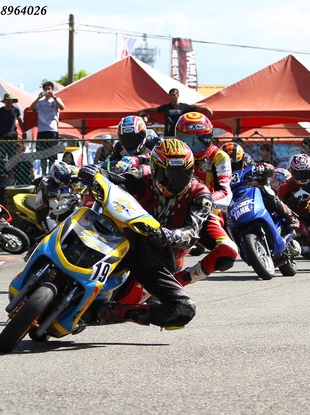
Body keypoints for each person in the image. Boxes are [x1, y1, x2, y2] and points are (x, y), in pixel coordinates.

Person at [76, 138, 213, 329]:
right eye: (169, 174)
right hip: (121, 238)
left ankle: (115, 312)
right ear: (155, 168)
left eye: (183, 174)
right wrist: (96, 172)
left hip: (155, 258)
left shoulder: (200, 195)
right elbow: (115, 178)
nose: (175, 181)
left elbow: (192, 232)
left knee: (184, 309)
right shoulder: (143, 175)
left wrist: (166, 235)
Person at [174, 112, 239, 286]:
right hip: (169, 208)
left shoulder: (219, 157)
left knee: (228, 251)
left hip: (202, 215)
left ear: (208, 137)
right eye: (187, 140)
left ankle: (179, 281)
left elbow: (226, 193)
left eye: (197, 140)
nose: (191, 146)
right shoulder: (173, 152)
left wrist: (203, 200)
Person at [138, 87, 212, 138]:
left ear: (178, 95)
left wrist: (205, 109)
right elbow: (155, 109)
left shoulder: (183, 106)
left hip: (180, 133)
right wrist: (145, 110)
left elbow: (194, 108)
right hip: (168, 134)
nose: (172, 97)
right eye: (170, 95)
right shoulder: (166, 107)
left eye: (174, 95)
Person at [29, 81, 66, 176]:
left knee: (53, 155)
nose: (47, 91)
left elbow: (62, 107)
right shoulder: (40, 102)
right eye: (45, 89)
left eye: (49, 89)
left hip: (52, 130)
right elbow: (32, 108)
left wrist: (54, 97)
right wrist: (38, 98)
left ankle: (52, 174)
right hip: (41, 131)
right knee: (42, 155)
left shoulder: (56, 100)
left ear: (52, 90)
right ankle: (44, 174)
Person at [0, 93, 26, 160]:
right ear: (4, 101)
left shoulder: (16, 110)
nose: (8, 102)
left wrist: (23, 132)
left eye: (10, 100)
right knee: (1, 156)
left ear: (12, 101)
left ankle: (12, 166)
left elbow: (20, 121)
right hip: (2, 136)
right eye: (7, 100)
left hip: (12, 136)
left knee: (12, 156)